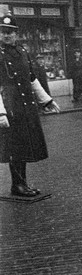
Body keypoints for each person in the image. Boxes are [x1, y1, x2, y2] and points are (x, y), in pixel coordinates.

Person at [0, 13, 60, 197]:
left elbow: (32, 79)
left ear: (16, 33)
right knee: (14, 147)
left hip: (25, 105)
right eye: (3, 32)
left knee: (24, 145)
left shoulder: (22, 52)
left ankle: (21, 184)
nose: (7, 35)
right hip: (10, 105)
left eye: (10, 32)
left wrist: (47, 101)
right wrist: (0, 114)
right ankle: (17, 185)